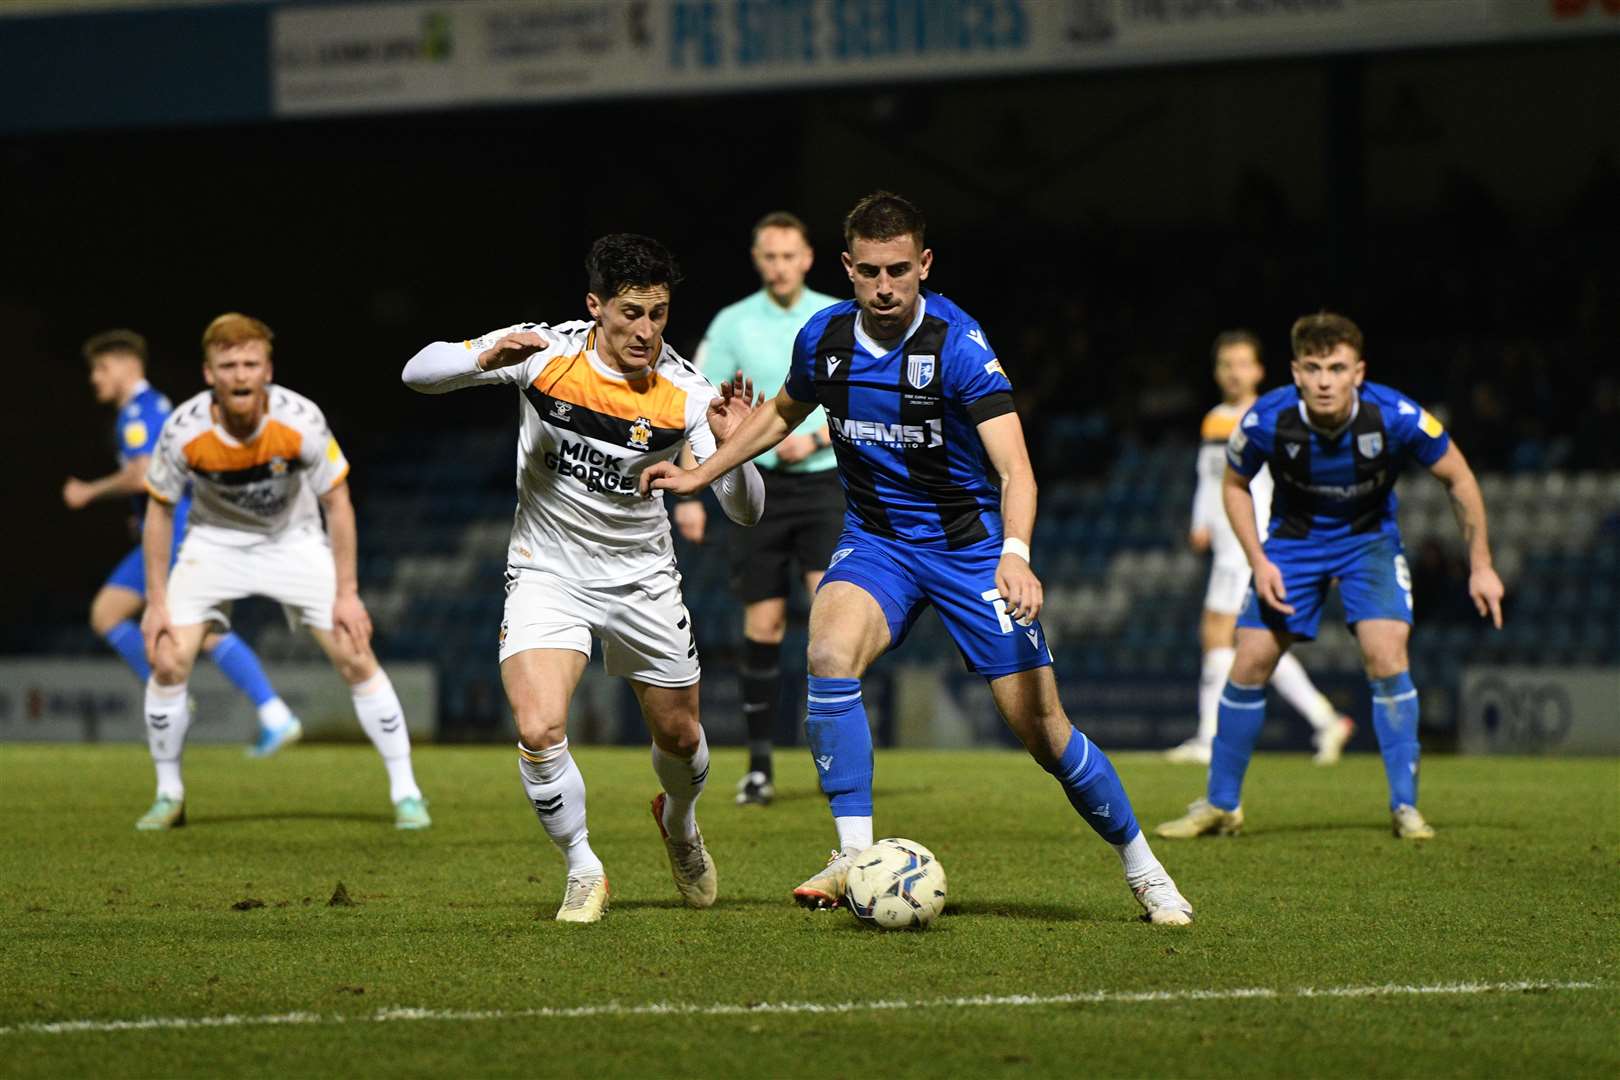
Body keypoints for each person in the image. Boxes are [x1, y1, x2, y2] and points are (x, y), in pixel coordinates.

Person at [644, 192, 1194, 925]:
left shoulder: (958, 346)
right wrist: (699, 472)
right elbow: (780, 413)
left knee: (1044, 730)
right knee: (829, 652)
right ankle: (854, 857)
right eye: (869, 270)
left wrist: (1017, 554)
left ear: (924, 264)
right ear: (846, 267)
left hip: (971, 553)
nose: (884, 285)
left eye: (899, 269)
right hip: (878, 544)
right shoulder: (824, 339)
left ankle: (1144, 868)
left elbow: (1016, 470)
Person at [402, 234, 765, 923]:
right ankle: (583, 867)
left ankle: (680, 824)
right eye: (631, 313)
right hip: (548, 572)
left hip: (643, 581)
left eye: (658, 314)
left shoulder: (686, 393)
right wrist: (483, 355)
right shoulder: (545, 353)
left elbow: (745, 513)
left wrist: (739, 448)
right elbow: (416, 374)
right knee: (539, 728)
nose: (646, 331)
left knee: (682, 739)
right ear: (595, 306)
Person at [1155, 312, 1504, 842]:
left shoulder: (1395, 415)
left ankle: (1404, 807)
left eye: (1336, 368)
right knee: (1247, 661)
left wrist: (1480, 565)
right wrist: (1259, 559)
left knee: (1387, 657)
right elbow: (1234, 486)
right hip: (1293, 544)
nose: (1324, 380)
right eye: (1313, 368)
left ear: (1357, 372)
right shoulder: (1265, 420)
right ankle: (1221, 805)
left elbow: (1458, 476)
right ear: (1295, 372)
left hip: (1369, 544)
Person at [138, 314, 429, 831]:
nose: (240, 374)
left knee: (355, 653)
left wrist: (348, 593)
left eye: (250, 363)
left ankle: (407, 793)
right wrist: (156, 602)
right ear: (210, 374)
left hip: (292, 541)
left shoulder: (301, 420)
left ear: (267, 369)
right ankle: (169, 795)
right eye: (228, 365)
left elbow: (338, 503)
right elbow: (159, 510)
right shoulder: (184, 430)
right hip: (214, 544)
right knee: (167, 659)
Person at [63, 329, 301, 757]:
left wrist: (88, 491)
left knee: (199, 629)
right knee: (112, 614)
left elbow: (140, 474)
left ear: (125, 365)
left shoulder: (139, 414)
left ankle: (259, 712)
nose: (94, 378)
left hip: (177, 535)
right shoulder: (150, 408)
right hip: (171, 530)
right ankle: (257, 712)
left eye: (100, 368)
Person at [679, 211, 841, 805]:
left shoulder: (833, 315)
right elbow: (697, 402)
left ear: (807, 258)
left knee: (833, 620)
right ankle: (759, 767)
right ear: (758, 260)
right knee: (765, 623)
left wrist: (816, 438)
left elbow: (856, 393)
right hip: (758, 485)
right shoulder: (732, 323)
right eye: (769, 256)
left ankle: (837, 760)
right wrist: (695, 493)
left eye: (789, 255)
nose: (779, 266)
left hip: (825, 482)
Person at [1166, 329, 1354, 766]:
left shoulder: (1272, 417)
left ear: (1259, 370)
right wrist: (1200, 522)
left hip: (1250, 541)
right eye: (1226, 364)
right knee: (1251, 640)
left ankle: (1210, 738)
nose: (1234, 372)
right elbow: (1209, 478)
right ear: (1216, 372)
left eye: (1242, 364)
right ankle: (1325, 719)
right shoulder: (1214, 419)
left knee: (1221, 631)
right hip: (1225, 541)